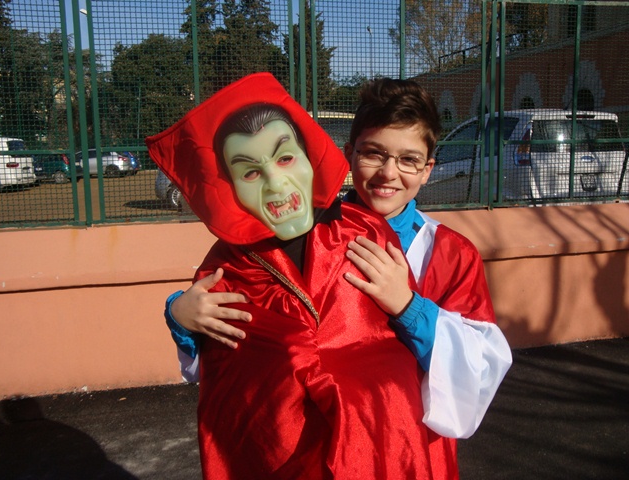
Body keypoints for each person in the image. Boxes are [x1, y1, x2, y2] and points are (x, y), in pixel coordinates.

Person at [146, 72, 458, 479]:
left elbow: (471, 365)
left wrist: (410, 308)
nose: (277, 183)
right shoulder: (231, 264)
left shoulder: (414, 244)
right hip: (281, 453)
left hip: (388, 442)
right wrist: (180, 317)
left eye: (285, 158)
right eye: (250, 172)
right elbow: (219, 370)